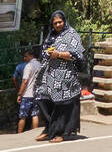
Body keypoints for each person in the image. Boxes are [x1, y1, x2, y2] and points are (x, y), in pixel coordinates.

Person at [34, 10, 84, 143]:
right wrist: (48, 52)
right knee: (42, 98)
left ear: (64, 21)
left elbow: (78, 55)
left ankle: (62, 133)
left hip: (65, 76)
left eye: (60, 22)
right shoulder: (51, 35)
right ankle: (49, 129)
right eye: (55, 23)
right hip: (49, 75)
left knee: (63, 104)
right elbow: (44, 50)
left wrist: (59, 54)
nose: (57, 25)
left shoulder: (72, 35)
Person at [16, 46, 41, 134]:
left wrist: (20, 93)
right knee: (35, 115)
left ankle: (19, 133)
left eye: (26, 56)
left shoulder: (28, 66)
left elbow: (25, 81)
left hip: (27, 94)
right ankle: (34, 133)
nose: (24, 58)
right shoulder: (39, 65)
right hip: (37, 94)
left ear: (31, 56)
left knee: (22, 115)